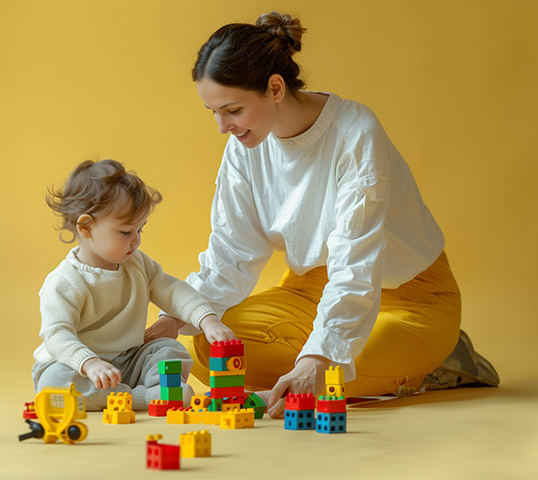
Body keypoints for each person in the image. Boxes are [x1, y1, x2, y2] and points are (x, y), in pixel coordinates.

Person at [148, 12, 499, 418]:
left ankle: (437, 360)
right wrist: (175, 317)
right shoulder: (244, 148)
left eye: (232, 110)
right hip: (309, 290)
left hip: (410, 297)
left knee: (332, 372)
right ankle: (322, 360)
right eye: (213, 112)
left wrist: (316, 361)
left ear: (275, 88)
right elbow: (231, 252)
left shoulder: (355, 133)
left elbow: (355, 264)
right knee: (214, 348)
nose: (222, 126)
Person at [32, 159, 235, 411]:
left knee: (171, 349)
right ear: (86, 227)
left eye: (141, 230)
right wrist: (90, 363)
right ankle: (145, 397)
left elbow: (172, 291)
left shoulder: (137, 264)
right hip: (78, 366)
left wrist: (208, 319)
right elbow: (57, 334)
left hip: (128, 360)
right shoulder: (64, 282)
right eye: (126, 232)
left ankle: (157, 388)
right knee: (55, 384)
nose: (136, 241)